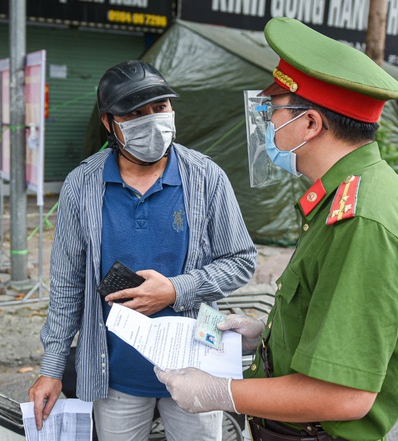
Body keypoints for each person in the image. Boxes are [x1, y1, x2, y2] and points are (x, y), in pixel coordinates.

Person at [155, 18, 398, 441]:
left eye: (273, 112)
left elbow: (344, 396)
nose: (267, 125)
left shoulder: (362, 221)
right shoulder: (346, 195)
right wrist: (265, 334)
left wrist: (219, 391)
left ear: (309, 124)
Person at [28, 59, 257, 440]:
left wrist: (176, 289)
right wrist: (52, 367)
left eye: (160, 108)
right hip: (115, 375)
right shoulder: (81, 185)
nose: (152, 121)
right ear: (109, 123)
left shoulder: (206, 176)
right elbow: (68, 282)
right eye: (135, 113)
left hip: (197, 367)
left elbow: (241, 260)